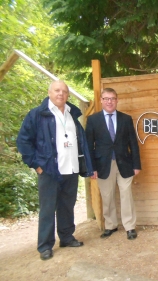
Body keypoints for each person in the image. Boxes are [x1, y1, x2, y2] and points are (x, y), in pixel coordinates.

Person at [16, 80, 93, 261]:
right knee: (48, 209)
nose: (61, 94)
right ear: (49, 92)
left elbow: (80, 142)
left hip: (71, 169)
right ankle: (45, 246)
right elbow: (23, 141)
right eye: (57, 90)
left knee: (67, 206)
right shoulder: (37, 115)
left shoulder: (71, 115)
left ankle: (66, 237)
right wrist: (36, 164)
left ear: (68, 95)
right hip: (49, 170)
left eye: (64, 91)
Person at [86, 88, 141, 240]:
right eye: (106, 98)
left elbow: (133, 144)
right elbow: (89, 146)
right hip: (103, 165)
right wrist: (91, 168)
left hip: (125, 163)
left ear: (117, 100)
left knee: (126, 194)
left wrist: (136, 165)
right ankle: (110, 225)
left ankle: (130, 226)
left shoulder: (126, 119)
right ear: (101, 100)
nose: (109, 101)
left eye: (112, 98)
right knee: (107, 195)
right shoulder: (93, 120)